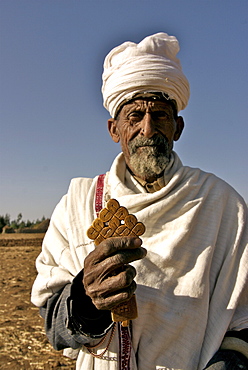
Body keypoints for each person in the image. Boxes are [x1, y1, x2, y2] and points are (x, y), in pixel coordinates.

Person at [31, 32, 248, 370]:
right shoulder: (78, 204)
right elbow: (53, 324)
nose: (148, 129)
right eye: (134, 116)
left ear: (177, 127)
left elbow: (244, 319)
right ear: (114, 129)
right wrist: (86, 301)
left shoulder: (222, 206)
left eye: (160, 115)